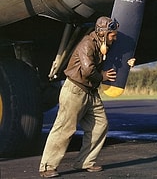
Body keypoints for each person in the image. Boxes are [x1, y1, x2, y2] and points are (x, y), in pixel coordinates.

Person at [39, 17, 133, 178]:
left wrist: (127, 63)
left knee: (100, 125)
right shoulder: (87, 44)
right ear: (103, 34)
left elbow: (111, 62)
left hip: (90, 91)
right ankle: (47, 166)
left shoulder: (104, 45)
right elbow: (88, 70)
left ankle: (85, 162)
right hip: (75, 90)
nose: (115, 37)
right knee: (64, 128)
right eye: (112, 35)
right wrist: (103, 76)